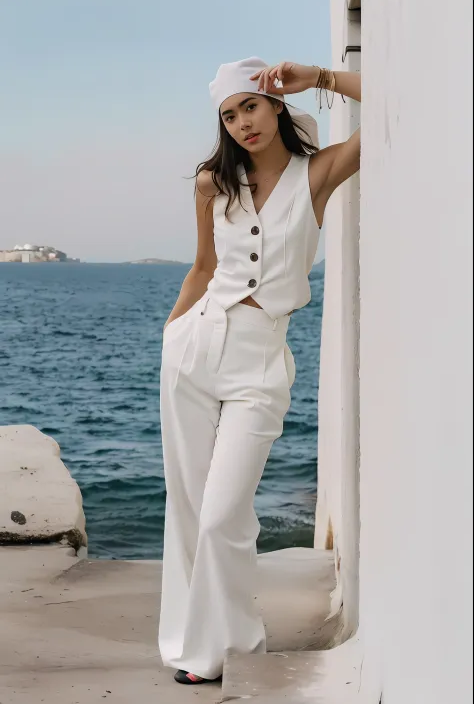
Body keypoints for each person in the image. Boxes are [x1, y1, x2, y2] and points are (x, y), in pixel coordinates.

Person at [158, 57, 361, 685]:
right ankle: (201, 648)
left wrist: (322, 78)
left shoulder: (317, 175)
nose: (242, 121)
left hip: (261, 359)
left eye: (251, 105)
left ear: (275, 107)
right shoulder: (211, 184)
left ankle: (239, 638)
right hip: (194, 349)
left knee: (223, 514)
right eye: (229, 114)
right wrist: (171, 334)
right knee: (190, 512)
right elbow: (200, 266)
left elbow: (402, 108)